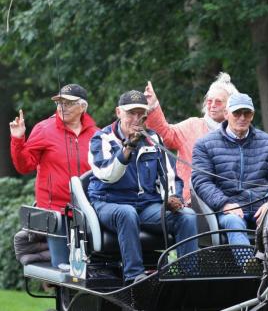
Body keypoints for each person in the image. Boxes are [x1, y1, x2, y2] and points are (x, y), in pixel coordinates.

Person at [87, 90, 198, 284]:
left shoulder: (153, 139)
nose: (137, 119)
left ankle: (189, 278)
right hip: (108, 203)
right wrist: (128, 148)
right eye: (131, 113)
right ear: (118, 112)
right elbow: (107, 174)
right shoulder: (101, 139)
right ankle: (135, 277)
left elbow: (170, 176)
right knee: (127, 213)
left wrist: (174, 197)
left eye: (141, 115)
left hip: (146, 206)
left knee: (187, 216)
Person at [9, 84, 99, 268]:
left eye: (68, 103)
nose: (62, 107)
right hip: (56, 213)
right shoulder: (44, 129)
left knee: (92, 268)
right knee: (63, 268)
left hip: (90, 212)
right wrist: (18, 139)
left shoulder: (97, 135)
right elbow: (25, 166)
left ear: (83, 107)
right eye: (59, 102)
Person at [192, 93, 268, 245]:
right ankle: (247, 266)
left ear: (252, 115)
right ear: (226, 114)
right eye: (237, 113)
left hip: (263, 207)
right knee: (234, 222)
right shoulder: (204, 144)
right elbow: (201, 181)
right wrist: (225, 204)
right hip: (228, 209)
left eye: (247, 113)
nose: (242, 118)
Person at [144, 72, 239, 204]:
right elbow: (165, 135)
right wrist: (153, 106)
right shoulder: (192, 125)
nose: (212, 105)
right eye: (209, 101)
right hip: (192, 201)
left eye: (218, 102)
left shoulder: (239, 132)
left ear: (231, 105)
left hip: (232, 202)